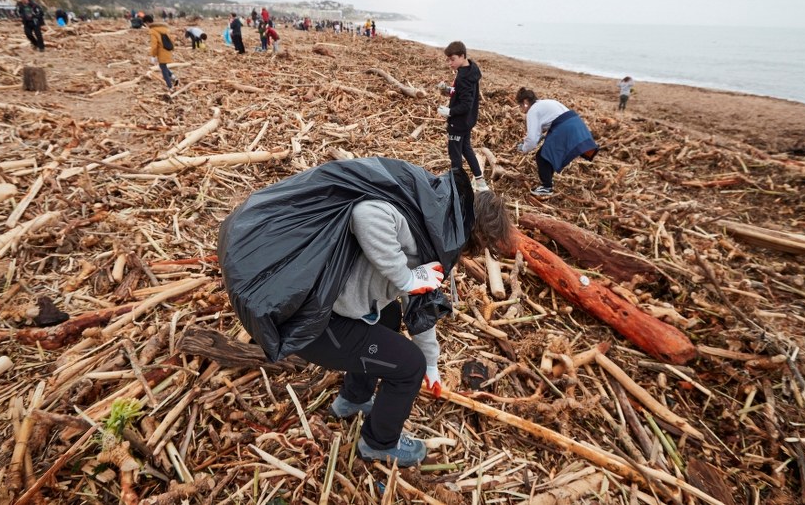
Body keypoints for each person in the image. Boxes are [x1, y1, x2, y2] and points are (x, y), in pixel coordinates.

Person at [218, 158, 513, 467]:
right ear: (474, 234)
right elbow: (366, 214)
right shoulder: (421, 227)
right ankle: (378, 443)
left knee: (388, 319)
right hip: (313, 322)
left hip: (334, 309)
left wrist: (433, 364)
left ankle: (353, 400)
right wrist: (406, 279)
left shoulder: (435, 226)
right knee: (408, 366)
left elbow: (422, 303)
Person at [515, 88, 600, 197]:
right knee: (548, 154)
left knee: (542, 156)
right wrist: (540, 138)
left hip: (564, 128)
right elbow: (548, 123)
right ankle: (548, 182)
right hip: (575, 123)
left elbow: (532, 140)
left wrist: (523, 148)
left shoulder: (533, 110)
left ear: (525, 102)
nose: (521, 109)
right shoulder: (545, 103)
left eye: (520, 105)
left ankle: (546, 187)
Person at [437, 41, 489, 192]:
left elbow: (466, 104)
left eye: (452, 59)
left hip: (458, 123)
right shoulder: (470, 70)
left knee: (455, 154)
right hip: (468, 121)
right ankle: (480, 182)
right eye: (448, 59)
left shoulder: (464, 77)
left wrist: (449, 111)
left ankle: (458, 187)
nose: (450, 63)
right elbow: (461, 93)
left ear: (462, 56)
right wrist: (447, 89)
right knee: (466, 149)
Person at [143, 14, 178, 93]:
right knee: (163, 66)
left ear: (147, 22)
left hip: (161, 51)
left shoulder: (153, 31)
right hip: (167, 50)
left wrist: (153, 55)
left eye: (145, 23)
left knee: (163, 69)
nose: (146, 25)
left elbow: (154, 45)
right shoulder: (163, 28)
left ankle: (170, 86)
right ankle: (174, 77)